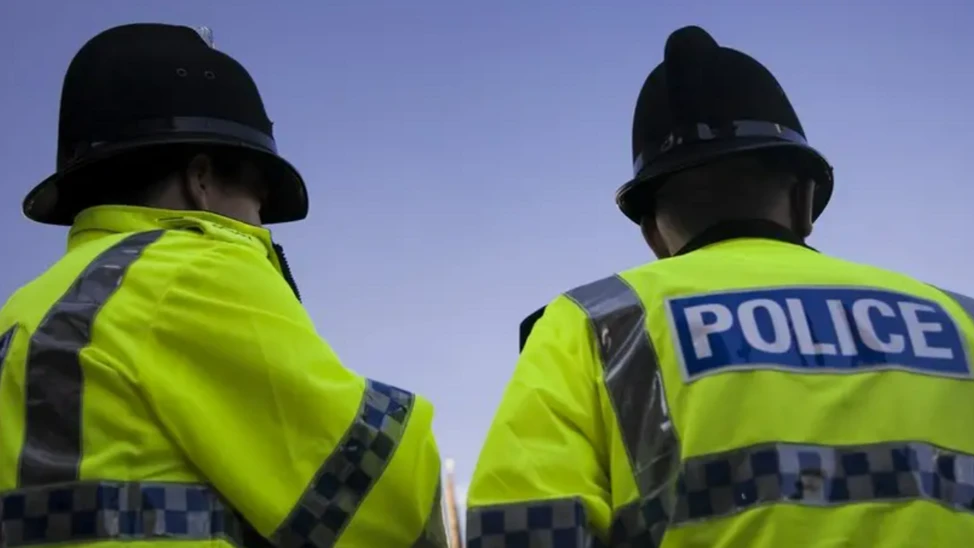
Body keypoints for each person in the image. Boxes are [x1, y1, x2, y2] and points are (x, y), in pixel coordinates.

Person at [465, 25, 974, 547]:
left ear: (653, 233)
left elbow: (522, 532)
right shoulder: (962, 322)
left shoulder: (592, 325)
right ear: (803, 199)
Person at [0, 23, 447, 548]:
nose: (262, 227)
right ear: (202, 180)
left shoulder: (26, 310)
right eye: (259, 202)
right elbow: (380, 497)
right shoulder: (188, 271)